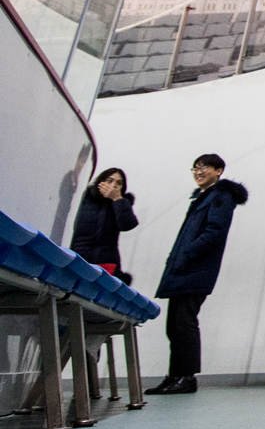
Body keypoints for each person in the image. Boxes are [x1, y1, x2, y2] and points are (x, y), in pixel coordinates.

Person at [146, 154, 247, 395]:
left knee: (185, 323)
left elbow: (214, 232)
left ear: (219, 170)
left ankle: (187, 378)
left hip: (195, 270)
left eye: (205, 167)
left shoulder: (221, 196)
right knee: (175, 326)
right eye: (195, 168)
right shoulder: (203, 196)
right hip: (184, 269)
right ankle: (175, 375)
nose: (198, 172)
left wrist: (186, 255)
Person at [71, 166, 138, 279]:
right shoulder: (85, 197)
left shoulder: (122, 203)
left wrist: (117, 199)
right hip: (77, 255)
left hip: (105, 262)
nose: (114, 185)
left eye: (119, 183)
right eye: (110, 180)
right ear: (101, 182)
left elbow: (128, 224)